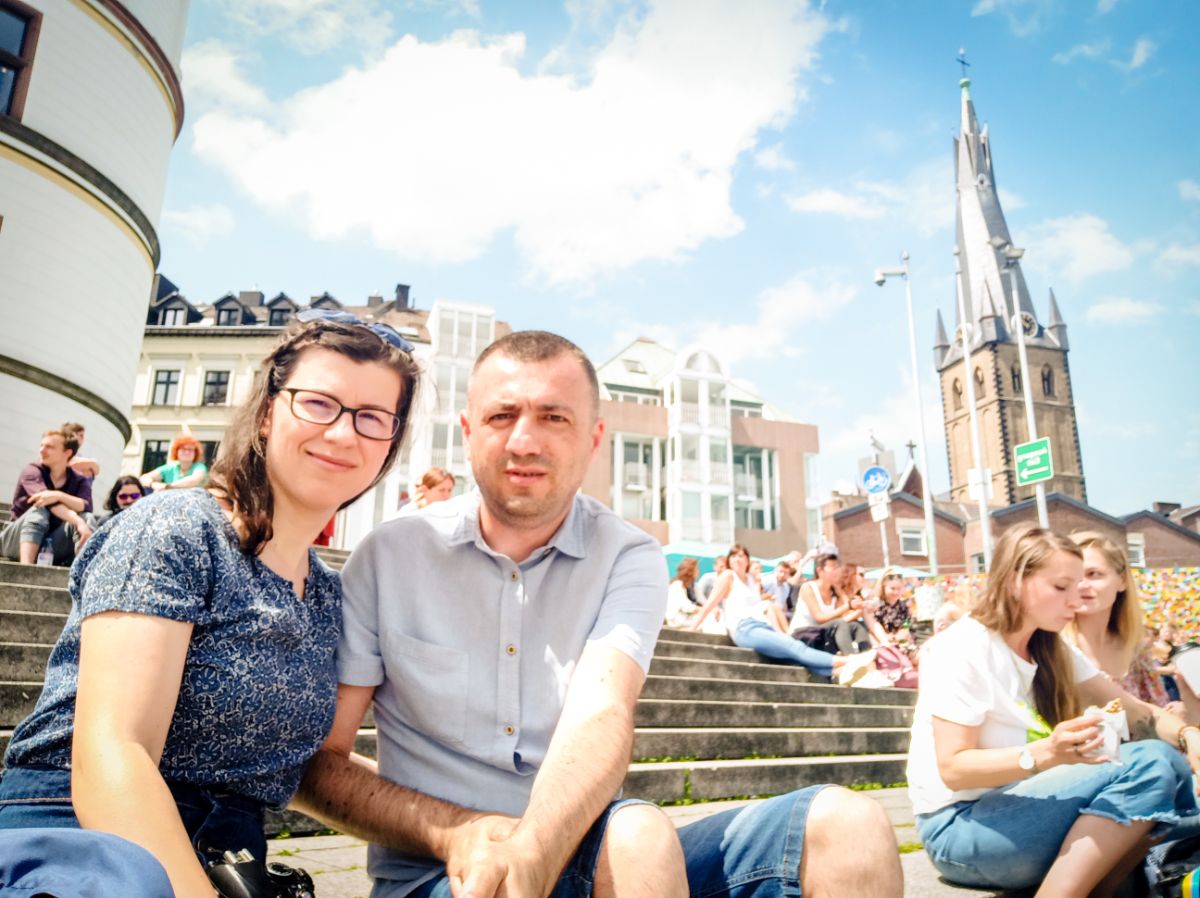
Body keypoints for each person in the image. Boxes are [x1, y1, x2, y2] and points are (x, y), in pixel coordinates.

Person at [294, 330, 903, 898]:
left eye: (554, 417)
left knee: (850, 827)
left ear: (593, 438)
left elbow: (602, 712)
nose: (524, 441)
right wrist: (456, 833)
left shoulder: (627, 556)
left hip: (590, 848)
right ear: (468, 431)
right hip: (436, 873)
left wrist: (533, 851)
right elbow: (319, 762)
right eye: (501, 416)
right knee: (637, 840)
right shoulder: (389, 556)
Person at [0, 313, 419, 898]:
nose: (343, 434)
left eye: (372, 417)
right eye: (318, 404)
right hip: (82, 839)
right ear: (268, 412)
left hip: (226, 855)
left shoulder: (327, 595)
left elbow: (311, 765)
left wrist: (465, 822)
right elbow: (113, 754)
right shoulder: (178, 528)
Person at [907, 524, 1200, 895]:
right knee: (1151, 762)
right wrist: (1047, 752)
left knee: (1170, 767)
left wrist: (1189, 736)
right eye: (1062, 587)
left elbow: (1137, 712)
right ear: (1015, 581)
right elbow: (953, 769)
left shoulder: (1049, 648)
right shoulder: (962, 647)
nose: (1075, 601)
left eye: (1077, 586)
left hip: (1020, 814)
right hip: (960, 831)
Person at [688, 545, 877, 685]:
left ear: (747, 560)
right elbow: (710, 603)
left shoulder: (752, 580)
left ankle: (840, 671)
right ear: (729, 559)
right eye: (734, 555)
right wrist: (693, 627)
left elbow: (763, 608)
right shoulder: (728, 576)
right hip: (744, 627)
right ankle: (849, 660)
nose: (738, 559)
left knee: (790, 656)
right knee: (794, 646)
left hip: (762, 626)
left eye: (742, 555)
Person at [1066, 531, 1198, 723]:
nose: (1082, 585)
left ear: (1122, 581)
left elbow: (1156, 723)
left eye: (1093, 574)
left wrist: (1188, 714)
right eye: (1072, 576)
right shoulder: (1053, 649)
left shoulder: (1136, 651)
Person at [0, 429, 93, 565]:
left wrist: (58, 495)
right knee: (39, 511)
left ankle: (84, 570)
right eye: (42, 445)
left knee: (87, 518)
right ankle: (25, 569)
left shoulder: (79, 479)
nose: (42, 450)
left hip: (51, 545)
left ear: (67, 453)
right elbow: (46, 502)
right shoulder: (32, 470)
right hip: (16, 542)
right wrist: (78, 522)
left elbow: (85, 505)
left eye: (49, 447)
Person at [790, 552, 872, 654]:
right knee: (839, 624)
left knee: (856, 626)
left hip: (820, 634)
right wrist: (848, 606)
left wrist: (843, 595)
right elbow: (819, 618)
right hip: (802, 634)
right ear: (819, 570)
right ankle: (851, 658)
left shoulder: (834, 591)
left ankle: (867, 655)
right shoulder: (808, 587)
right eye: (833, 567)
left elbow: (845, 615)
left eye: (838, 567)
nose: (838, 570)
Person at [866, 567, 917, 654]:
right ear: (883, 587)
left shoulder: (904, 607)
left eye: (899, 588)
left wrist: (897, 637)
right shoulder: (876, 605)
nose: (896, 592)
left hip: (900, 642)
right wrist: (888, 639)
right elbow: (872, 627)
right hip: (881, 643)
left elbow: (906, 626)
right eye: (892, 588)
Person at [140, 434, 208, 492]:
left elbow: (194, 479)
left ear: (196, 453)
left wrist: (167, 486)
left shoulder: (200, 467)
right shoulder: (170, 468)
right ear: (176, 451)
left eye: (190, 449)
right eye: (183, 449)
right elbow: (144, 478)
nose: (187, 452)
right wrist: (153, 484)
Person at [664, 557, 703, 628]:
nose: (698, 571)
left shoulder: (692, 586)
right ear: (690, 571)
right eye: (697, 569)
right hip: (676, 620)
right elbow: (686, 607)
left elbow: (703, 601)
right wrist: (703, 610)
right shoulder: (677, 585)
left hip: (685, 618)